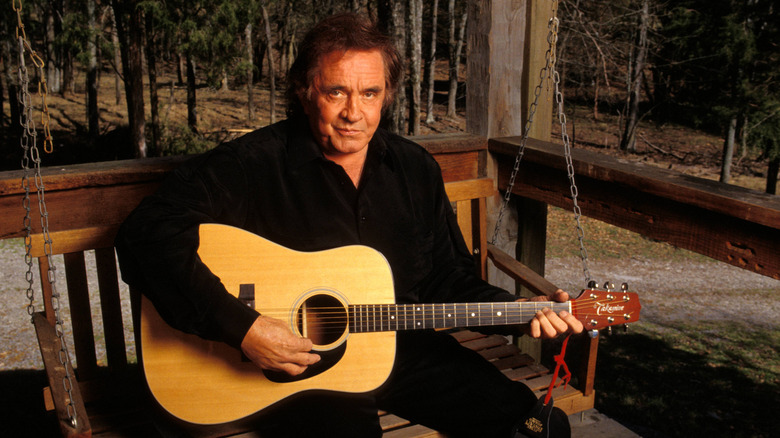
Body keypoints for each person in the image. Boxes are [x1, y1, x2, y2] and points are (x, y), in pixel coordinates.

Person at [115, 13, 583, 438]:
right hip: (296, 372)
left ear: (388, 95)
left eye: (370, 93)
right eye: (336, 91)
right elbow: (145, 234)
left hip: (403, 349)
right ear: (304, 90)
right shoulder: (251, 165)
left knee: (535, 428)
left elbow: (448, 278)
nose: (353, 112)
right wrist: (244, 327)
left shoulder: (414, 168)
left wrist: (524, 312)